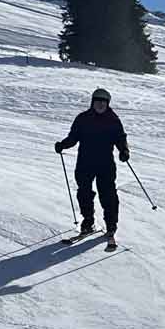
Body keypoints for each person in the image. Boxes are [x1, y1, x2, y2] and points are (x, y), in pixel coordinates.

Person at [54, 87, 128, 244]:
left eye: (103, 102)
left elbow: (120, 138)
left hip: (105, 164)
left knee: (108, 194)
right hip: (85, 162)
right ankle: (88, 222)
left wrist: (124, 151)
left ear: (107, 103)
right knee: (84, 193)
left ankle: (111, 225)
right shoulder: (83, 118)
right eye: (97, 101)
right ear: (92, 102)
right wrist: (63, 145)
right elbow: (73, 137)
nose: (100, 104)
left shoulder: (113, 120)